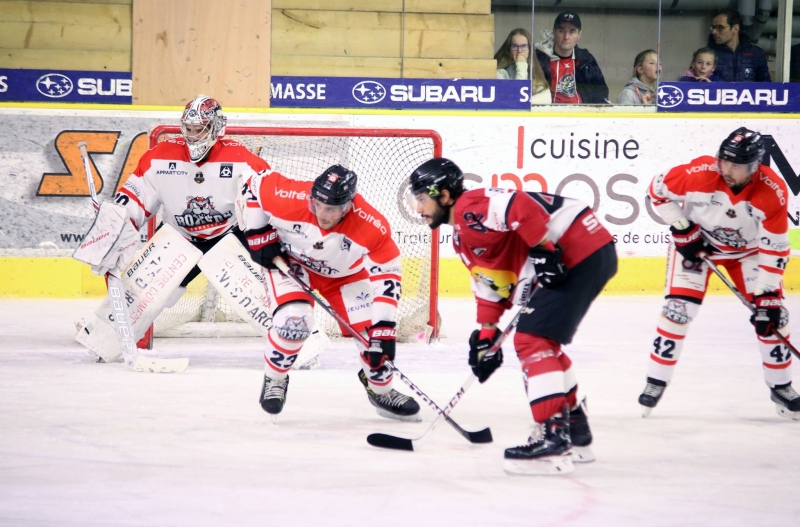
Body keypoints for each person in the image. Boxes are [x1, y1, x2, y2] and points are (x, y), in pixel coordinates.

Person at [406, 158, 617, 475]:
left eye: (422, 199)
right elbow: (492, 283)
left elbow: (520, 206)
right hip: (588, 251)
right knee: (541, 342)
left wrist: (545, 250)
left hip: (578, 248)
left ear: (445, 195)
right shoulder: (463, 237)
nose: (419, 209)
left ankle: (552, 436)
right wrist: (486, 335)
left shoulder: (471, 205)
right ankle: (574, 430)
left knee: (532, 340)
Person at [74, 95, 270, 362]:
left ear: (216, 128)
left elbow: (268, 203)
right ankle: (104, 339)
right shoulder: (159, 158)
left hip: (229, 236)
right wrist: (114, 228)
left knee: (262, 291)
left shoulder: (243, 161)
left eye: (198, 129)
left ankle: (295, 343)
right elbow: (133, 202)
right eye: (187, 128)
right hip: (180, 236)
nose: (191, 135)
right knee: (148, 295)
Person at [240, 164, 421, 422]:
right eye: (317, 205)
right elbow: (253, 183)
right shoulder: (287, 194)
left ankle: (381, 391)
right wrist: (256, 231)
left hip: (345, 275)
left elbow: (388, 276)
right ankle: (275, 379)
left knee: (373, 339)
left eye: (332, 209)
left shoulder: (372, 225)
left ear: (348, 205)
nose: (322, 214)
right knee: (295, 321)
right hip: (292, 264)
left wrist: (385, 327)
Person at [640, 127, 799, 420]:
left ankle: (781, 386)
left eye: (736, 165)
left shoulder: (772, 190)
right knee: (677, 310)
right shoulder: (698, 173)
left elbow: (775, 248)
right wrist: (683, 228)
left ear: (754, 167)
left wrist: (766, 296)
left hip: (748, 254)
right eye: (724, 161)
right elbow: (656, 192)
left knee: (775, 318)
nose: (727, 169)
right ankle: (655, 380)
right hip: (699, 248)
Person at [534, 12, 609, 104]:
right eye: (561, 31)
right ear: (554, 32)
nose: (566, 37)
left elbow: (601, 93)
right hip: (550, 115)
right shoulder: (540, 58)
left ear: (579, 35)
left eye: (572, 31)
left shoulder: (586, 60)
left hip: (582, 114)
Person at [707, 9, 771, 82]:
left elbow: (766, 85)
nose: (714, 32)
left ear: (735, 28)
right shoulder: (707, 54)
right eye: (713, 27)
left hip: (748, 93)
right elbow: (694, 80)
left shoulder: (756, 53)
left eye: (720, 28)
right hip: (718, 93)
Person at [495, 28, 551, 104]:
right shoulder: (500, 73)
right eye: (515, 46)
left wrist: (526, 102)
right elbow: (517, 95)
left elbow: (547, 97)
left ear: (529, 50)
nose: (519, 51)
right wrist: (521, 65)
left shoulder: (532, 72)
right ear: (509, 50)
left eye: (524, 46)